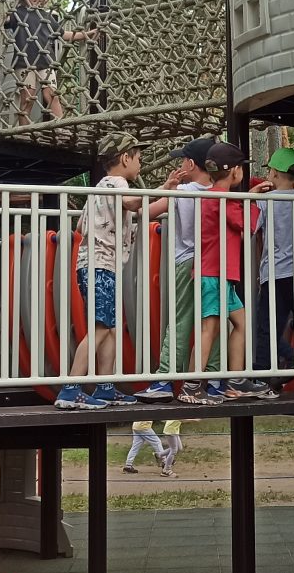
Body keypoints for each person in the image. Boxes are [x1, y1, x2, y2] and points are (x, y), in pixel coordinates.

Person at [56, 132, 163, 411]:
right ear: (125, 158)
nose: (140, 164)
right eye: (138, 158)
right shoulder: (118, 183)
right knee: (101, 327)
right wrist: (162, 189)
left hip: (96, 264)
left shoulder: (98, 189)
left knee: (112, 329)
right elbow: (131, 203)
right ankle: (70, 388)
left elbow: (81, 226)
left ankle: (105, 387)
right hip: (101, 265)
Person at [132, 137, 220, 401]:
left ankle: (165, 379)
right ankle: (214, 378)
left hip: (186, 262)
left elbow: (145, 213)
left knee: (180, 320)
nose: (180, 165)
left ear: (191, 164)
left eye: (182, 160)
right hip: (214, 264)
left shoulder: (182, 191)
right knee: (212, 322)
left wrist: (168, 188)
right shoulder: (220, 192)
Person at [187, 142, 275, 403]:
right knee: (209, 328)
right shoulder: (221, 199)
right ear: (235, 171)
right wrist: (253, 201)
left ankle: (235, 381)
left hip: (221, 275)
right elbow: (247, 224)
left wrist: (248, 196)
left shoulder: (217, 196)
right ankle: (192, 385)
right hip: (213, 274)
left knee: (241, 322)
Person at [250, 147, 294, 391]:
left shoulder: (266, 201)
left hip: (275, 274)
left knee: (267, 327)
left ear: (275, 173)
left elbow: (251, 228)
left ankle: (262, 378)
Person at [0, 0, 93, 124]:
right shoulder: (17, 14)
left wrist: (85, 35)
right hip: (24, 62)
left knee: (52, 95)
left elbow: (63, 34)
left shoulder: (45, 16)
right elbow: (1, 18)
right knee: (28, 98)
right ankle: (24, 132)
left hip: (45, 61)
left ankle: (61, 128)